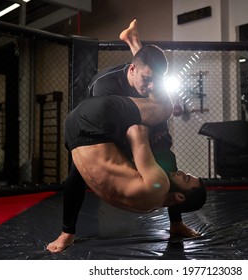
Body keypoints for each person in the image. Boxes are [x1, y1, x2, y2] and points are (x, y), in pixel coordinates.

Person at [46, 22, 206, 253]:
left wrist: (159, 139)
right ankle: (67, 232)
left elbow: (147, 95)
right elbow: (129, 131)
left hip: (114, 121)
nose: (150, 85)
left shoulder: (146, 79)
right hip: (101, 124)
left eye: (155, 81)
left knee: (167, 157)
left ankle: (177, 224)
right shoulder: (105, 85)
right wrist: (151, 137)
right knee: (75, 178)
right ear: (132, 70)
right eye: (147, 79)